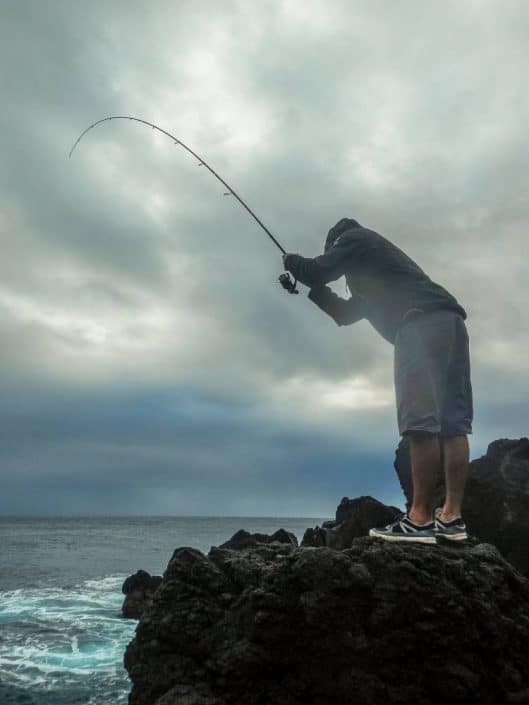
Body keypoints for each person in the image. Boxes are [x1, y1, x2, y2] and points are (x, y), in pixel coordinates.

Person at [282, 217, 473, 544]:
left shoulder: (355, 237)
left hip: (419, 325)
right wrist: (310, 289)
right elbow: (344, 315)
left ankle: (420, 519)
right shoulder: (377, 275)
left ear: (337, 243)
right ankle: (451, 518)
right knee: (454, 424)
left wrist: (293, 264)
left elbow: (316, 270)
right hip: (451, 322)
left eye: (334, 253)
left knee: (419, 421)